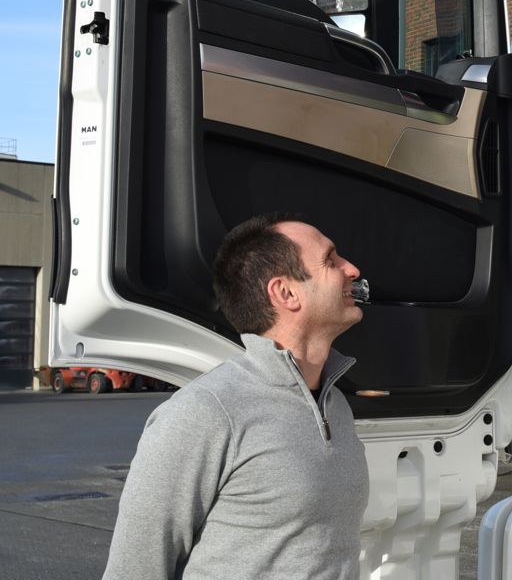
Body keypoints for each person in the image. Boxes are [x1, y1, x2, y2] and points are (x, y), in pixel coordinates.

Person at [103, 213, 370, 580]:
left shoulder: (335, 404)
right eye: (331, 260)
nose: (352, 270)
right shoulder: (203, 413)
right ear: (286, 293)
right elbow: (134, 570)